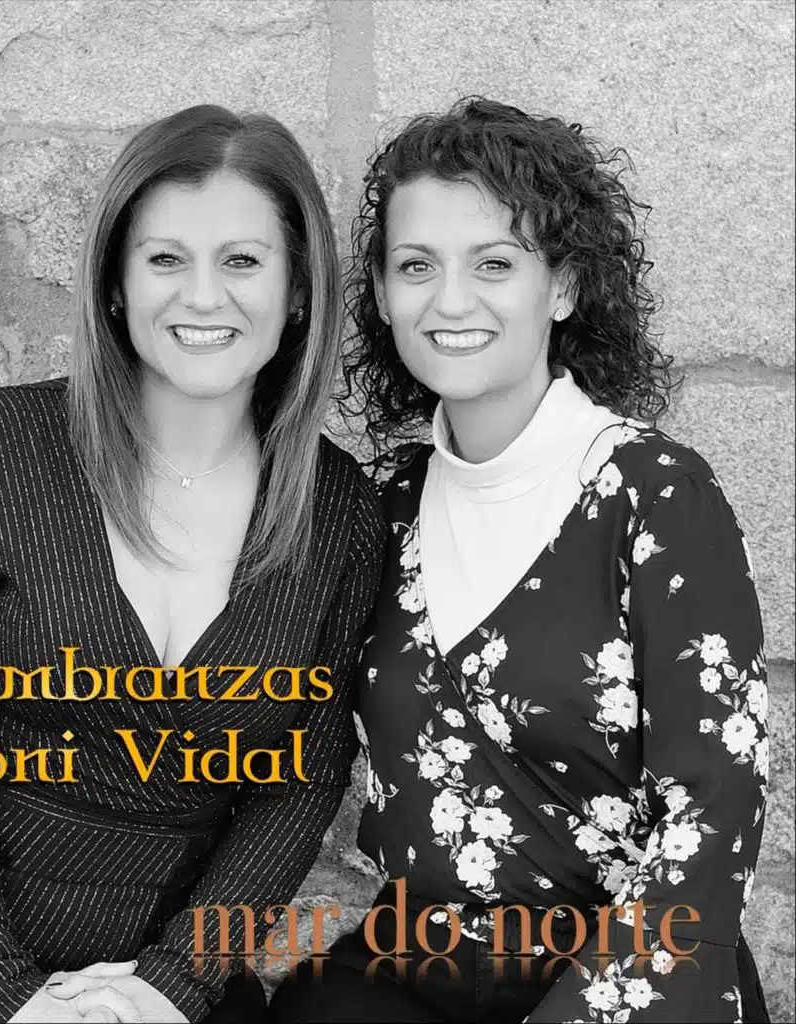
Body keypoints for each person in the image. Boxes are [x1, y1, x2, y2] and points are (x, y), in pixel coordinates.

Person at [0, 104, 385, 1024]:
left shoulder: (339, 510)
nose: (203, 297)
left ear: (298, 290)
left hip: (157, 973)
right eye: (165, 259)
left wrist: (175, 982)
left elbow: (300, 783)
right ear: (115, 284)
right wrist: (6, 994)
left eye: (241, 260)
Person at [269, 97, 771, 1022]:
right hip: (423, 970)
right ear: (382, 293)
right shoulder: (385, 511)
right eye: (417, 266)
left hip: (635, 973)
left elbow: (713, 812)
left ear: (566, 286)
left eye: (494, 263)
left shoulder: (653, 495)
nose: (451, 301)